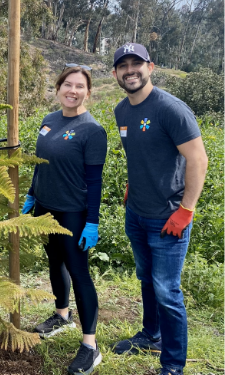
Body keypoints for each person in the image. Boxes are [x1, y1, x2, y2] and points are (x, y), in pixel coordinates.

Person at [111, 43, 208, 375]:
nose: (130, 70)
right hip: (136, 213)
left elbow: (198, 160)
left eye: (136, 63)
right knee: (146, 280)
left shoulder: (171, 108)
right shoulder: (121, 111)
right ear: (115, 74)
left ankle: (172, 366)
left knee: (167, 290)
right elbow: (140, 153)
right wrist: (131, 183)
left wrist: (186, 211)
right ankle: (150, 336)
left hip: (169, 218)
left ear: (150, 67)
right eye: (123, 65)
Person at [22, 64, 107, 375]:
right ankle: (62, 315)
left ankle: (90, 346)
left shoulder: (92, 130)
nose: (73, 91)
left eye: (79, 86)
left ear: (87, 92)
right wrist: (32, 195)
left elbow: (94, 181)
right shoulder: (48, 121)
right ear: (57, 89)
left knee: (79, 270)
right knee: (54, 260)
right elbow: (40, 164)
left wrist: (92, 221)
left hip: (73, 212)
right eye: (67, 85)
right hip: (45, 207)